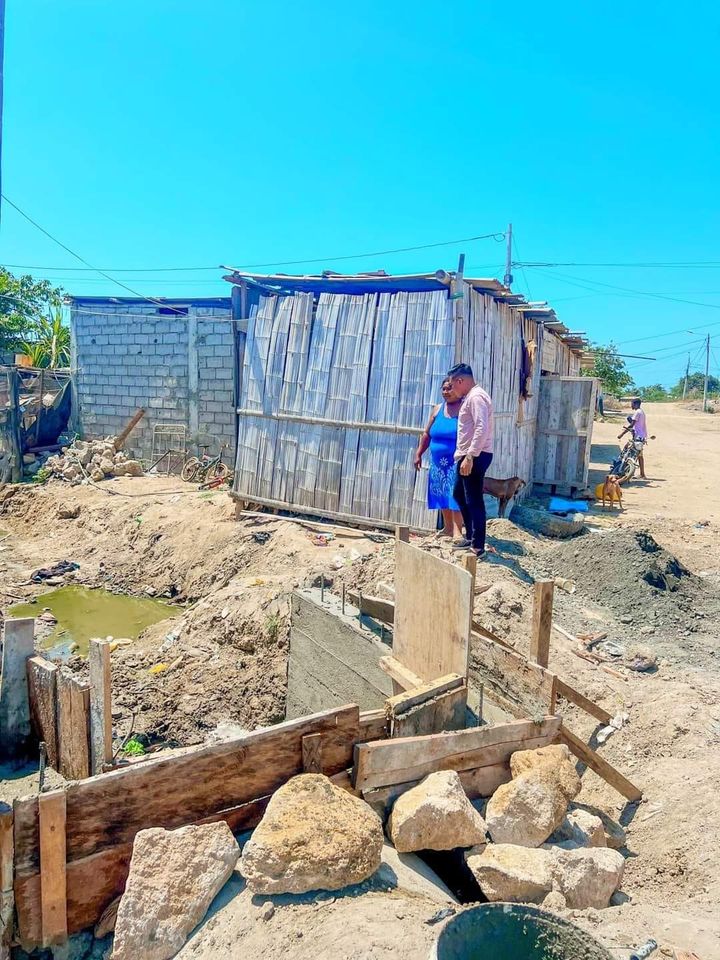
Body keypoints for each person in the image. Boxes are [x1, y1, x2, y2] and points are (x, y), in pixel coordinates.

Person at [446, 362, 494, 557]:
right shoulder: (471, 397)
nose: (452, 390)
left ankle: (478, 546)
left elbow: (481, 427)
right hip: (469, 455)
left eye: (452, 385)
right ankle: (471, 537)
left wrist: (470, 456)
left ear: (460, 381)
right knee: (459, 494)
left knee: (474, 500)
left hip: (475, 455)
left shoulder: (476, 397)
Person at [414, 378, 464, 537]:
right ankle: (448, 528)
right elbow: (427, 434)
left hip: (456, 462)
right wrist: (418, 453)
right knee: (441, 493)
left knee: (456, 495)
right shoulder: (437, 409)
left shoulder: (465, 409)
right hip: (437, 463)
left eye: (450, 388)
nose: (446, 392)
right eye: (444, 389)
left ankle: (458, 532)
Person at [618, 398, 648, 479]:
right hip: (641, 437)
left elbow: (632, 425)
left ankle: (623, 468)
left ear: (636, 404)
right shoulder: (641, 412)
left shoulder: (637, 412)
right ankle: (642, 474)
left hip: (638, 437)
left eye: (632, 404)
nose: (631, 405)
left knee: (626, 449)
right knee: (639, 455)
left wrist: (621, 434)